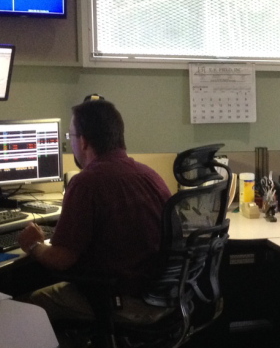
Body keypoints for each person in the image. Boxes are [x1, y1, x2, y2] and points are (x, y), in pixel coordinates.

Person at [18, 98, 172, 325]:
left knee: (28, 306)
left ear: (84, 142)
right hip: (161, 297)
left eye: (71, 136)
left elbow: (61, 260)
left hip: (118, 299)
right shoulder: (150, 175)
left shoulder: (87, 183)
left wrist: (33, 245)